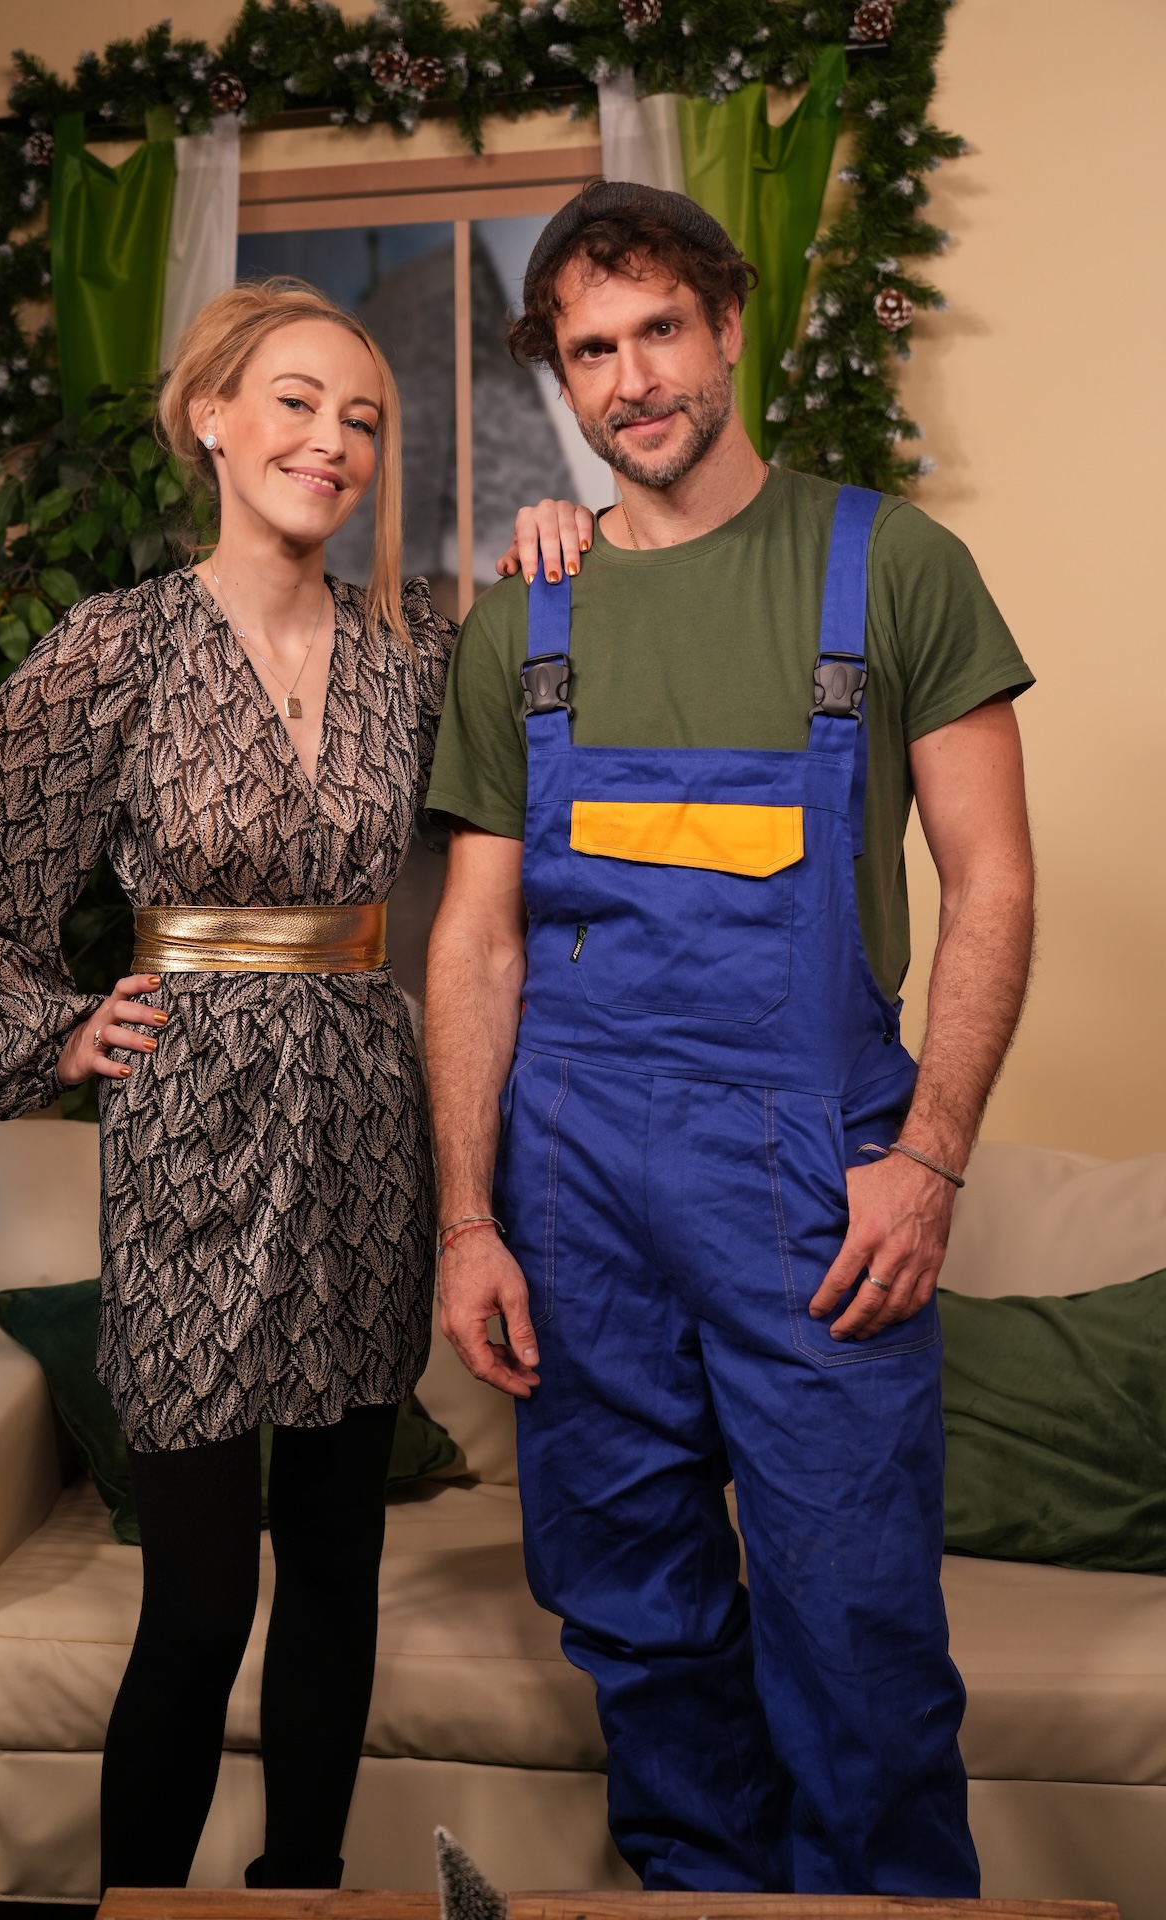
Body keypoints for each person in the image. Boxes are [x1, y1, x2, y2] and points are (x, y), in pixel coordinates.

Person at [0, 277, 590, 1892]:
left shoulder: (415, 646)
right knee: (202, 1602)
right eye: (295, 401)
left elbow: (563, 712)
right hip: (191, 1126)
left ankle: (303, 1902)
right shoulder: (120, 646)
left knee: (336, 1571)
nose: (331, 440)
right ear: (210, 418)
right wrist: (52, 1028)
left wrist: (561, 542)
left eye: (362, 418)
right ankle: (145, 1910)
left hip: (364, 1114)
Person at [423, 184, 1035, 1896]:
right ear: (562, 375)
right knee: (638, 1624)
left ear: (729, 325)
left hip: (816, 1184)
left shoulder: (889, 565)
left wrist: (930, 1158)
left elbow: (993, 880)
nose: (631, 380)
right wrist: (467, 1217)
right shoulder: (522, 617)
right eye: (590, 350)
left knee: (854, 1634)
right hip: (575, 1194)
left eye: (660, 332)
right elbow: (476, 940)